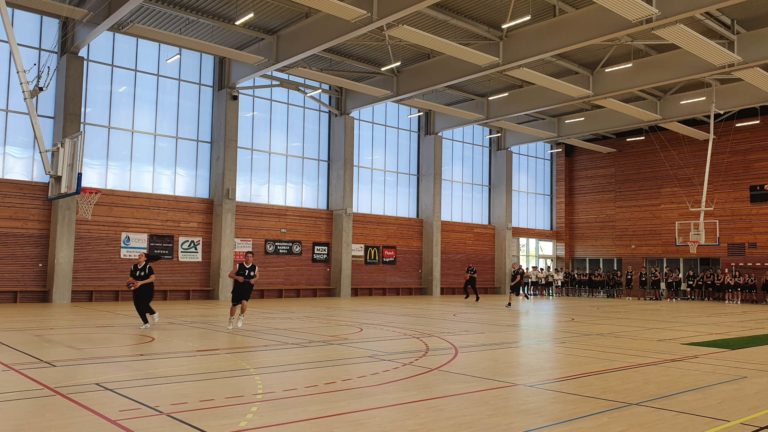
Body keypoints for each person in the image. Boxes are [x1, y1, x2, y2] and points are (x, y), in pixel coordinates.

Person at [227, 251, 259, 329]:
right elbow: (230, 275)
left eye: (250, 257)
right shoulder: (238, 266)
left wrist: (254, 279)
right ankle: (231, 320)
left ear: (252, 258)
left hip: (247, 288)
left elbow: (257, 276)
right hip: (237, 288)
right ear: (245, 257)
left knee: (244, 302)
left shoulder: (255, 267)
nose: (249, 258)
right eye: (247, 256)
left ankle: (241, 316)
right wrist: (237, 277)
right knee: (234, 305)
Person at [127, 252, 159, 329]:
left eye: (141, 255)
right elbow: (131, 278)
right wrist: (130, 283)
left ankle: (153, 313)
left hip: (147, 289)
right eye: (139, 255)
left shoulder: (148, 267)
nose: (139, 256)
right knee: (137, 306)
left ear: (145, 258)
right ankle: (146, 323)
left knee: (143, 304)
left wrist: (141, 282)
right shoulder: (133, 267)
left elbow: (153, 278)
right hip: (137, 289)